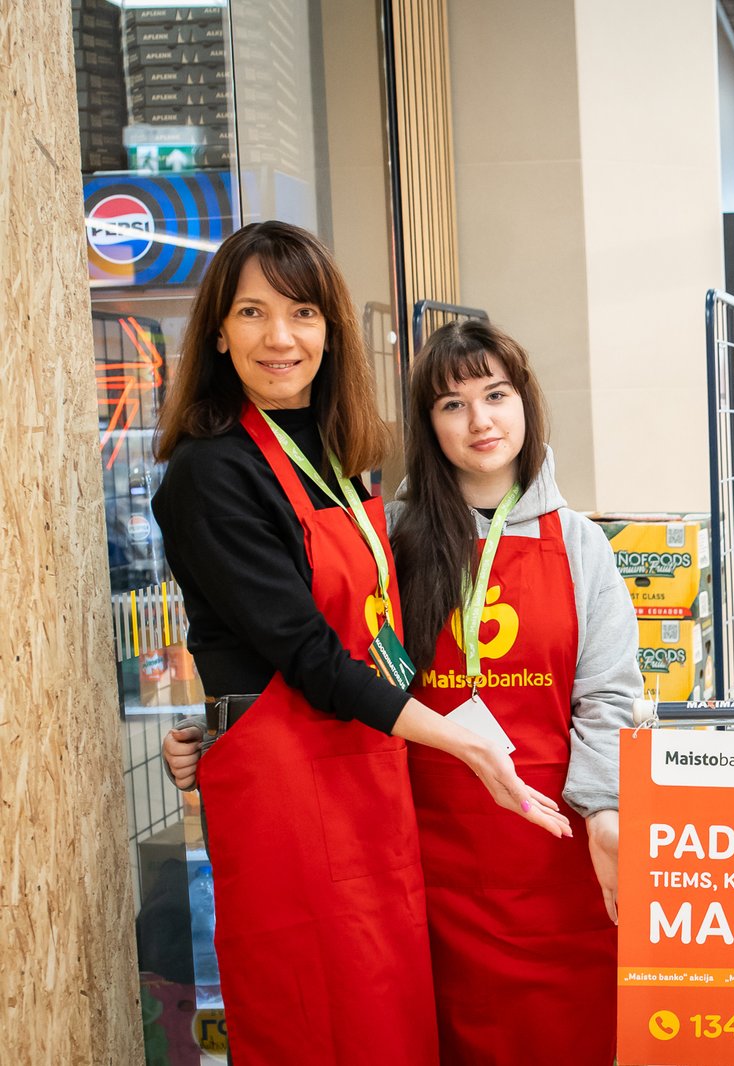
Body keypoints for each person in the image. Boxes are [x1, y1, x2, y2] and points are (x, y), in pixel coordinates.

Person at [154, 221, 569, 1064]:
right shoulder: (210, 473)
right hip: (287, 791)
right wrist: (455, 737)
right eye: (252, 312)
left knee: (389, 1016)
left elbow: (369, 629)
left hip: (368, 777)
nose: (280, 337)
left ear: (330, 328)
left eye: (302, 312)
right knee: (314, 1017)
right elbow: (303, 649)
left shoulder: (348, 456)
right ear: (219, 333)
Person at [387, 319, 640, 1064]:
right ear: (428, 425)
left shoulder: (580, 543)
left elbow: (608, 695)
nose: (481, 421)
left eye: (496, 395)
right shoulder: (393, 538)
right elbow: (340, 672)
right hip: (429, 858)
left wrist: (604, 810)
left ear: (525, 402)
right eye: (453, 404)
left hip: (556, 853)